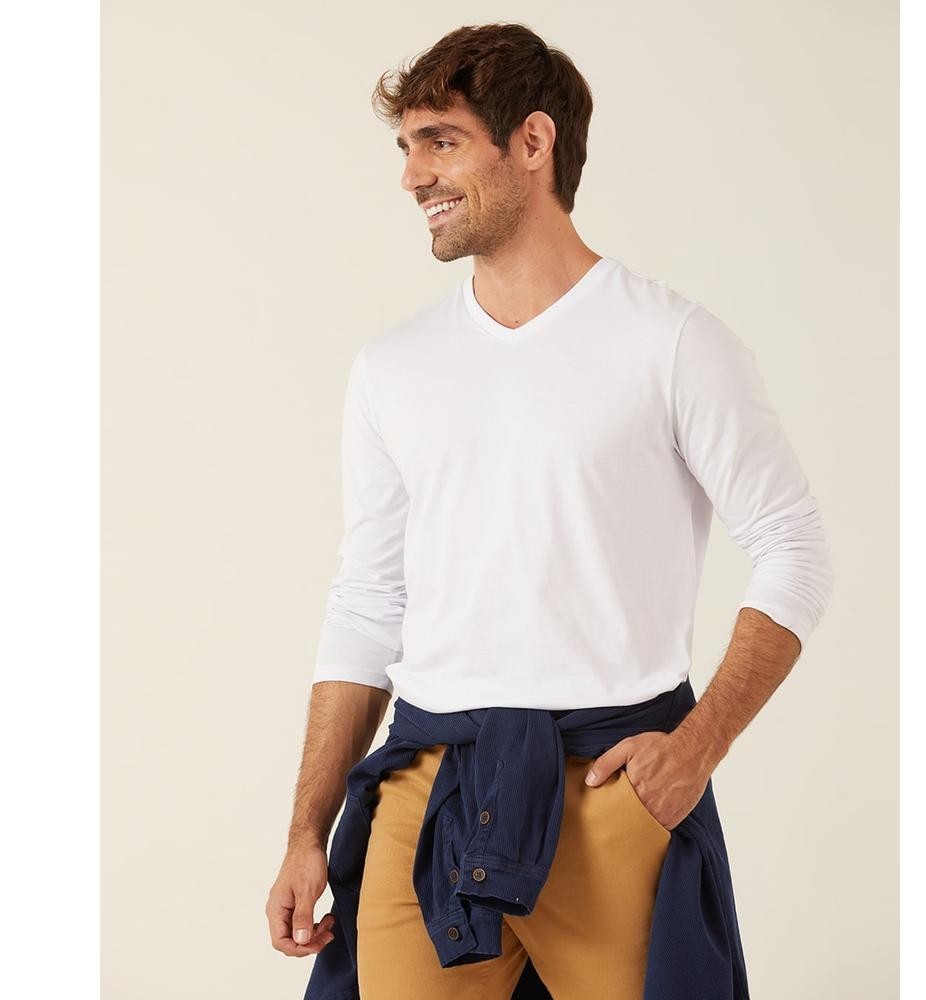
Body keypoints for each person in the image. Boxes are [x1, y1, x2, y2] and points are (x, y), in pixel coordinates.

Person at [266, 21, 834, 1000]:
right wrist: (304, 831)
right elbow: (367, 601)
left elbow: (794, 548)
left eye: (441, 141)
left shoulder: (671, 343)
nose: (411, 175)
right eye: (406, 147)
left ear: (532, 142)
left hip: (615, 786)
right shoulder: (393, 368)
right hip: (428, 793)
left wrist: (696, 748)